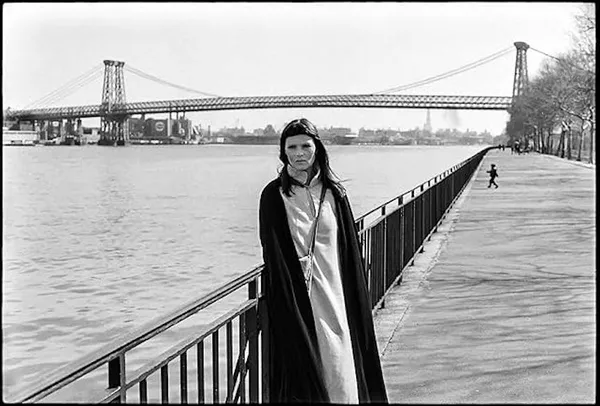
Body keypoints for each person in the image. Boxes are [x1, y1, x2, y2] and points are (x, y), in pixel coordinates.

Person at [258, 118, 388, 403]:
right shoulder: (273, 196)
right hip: (299, 298)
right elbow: (273, 253)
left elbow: (350, 251)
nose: (299, 153)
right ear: (283, 152)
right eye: (292, 147)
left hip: (337, 295)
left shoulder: (335, 194)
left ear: (317, 148)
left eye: (305, 146)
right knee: (307, 369)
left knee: (341, 366)